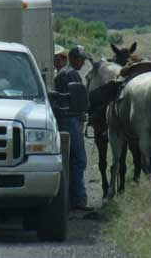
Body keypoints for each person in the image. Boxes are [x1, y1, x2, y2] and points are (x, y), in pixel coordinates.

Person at [54, 45, 92, 211]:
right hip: (70, 119)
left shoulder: (62, 73)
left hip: (63, 119)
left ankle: (68, 199)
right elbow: (80, 99)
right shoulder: (71, 74)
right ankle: (78, 200)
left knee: (68, 161)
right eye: (81, 59)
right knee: (78, 160)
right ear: (74, 58)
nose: (83, 63)